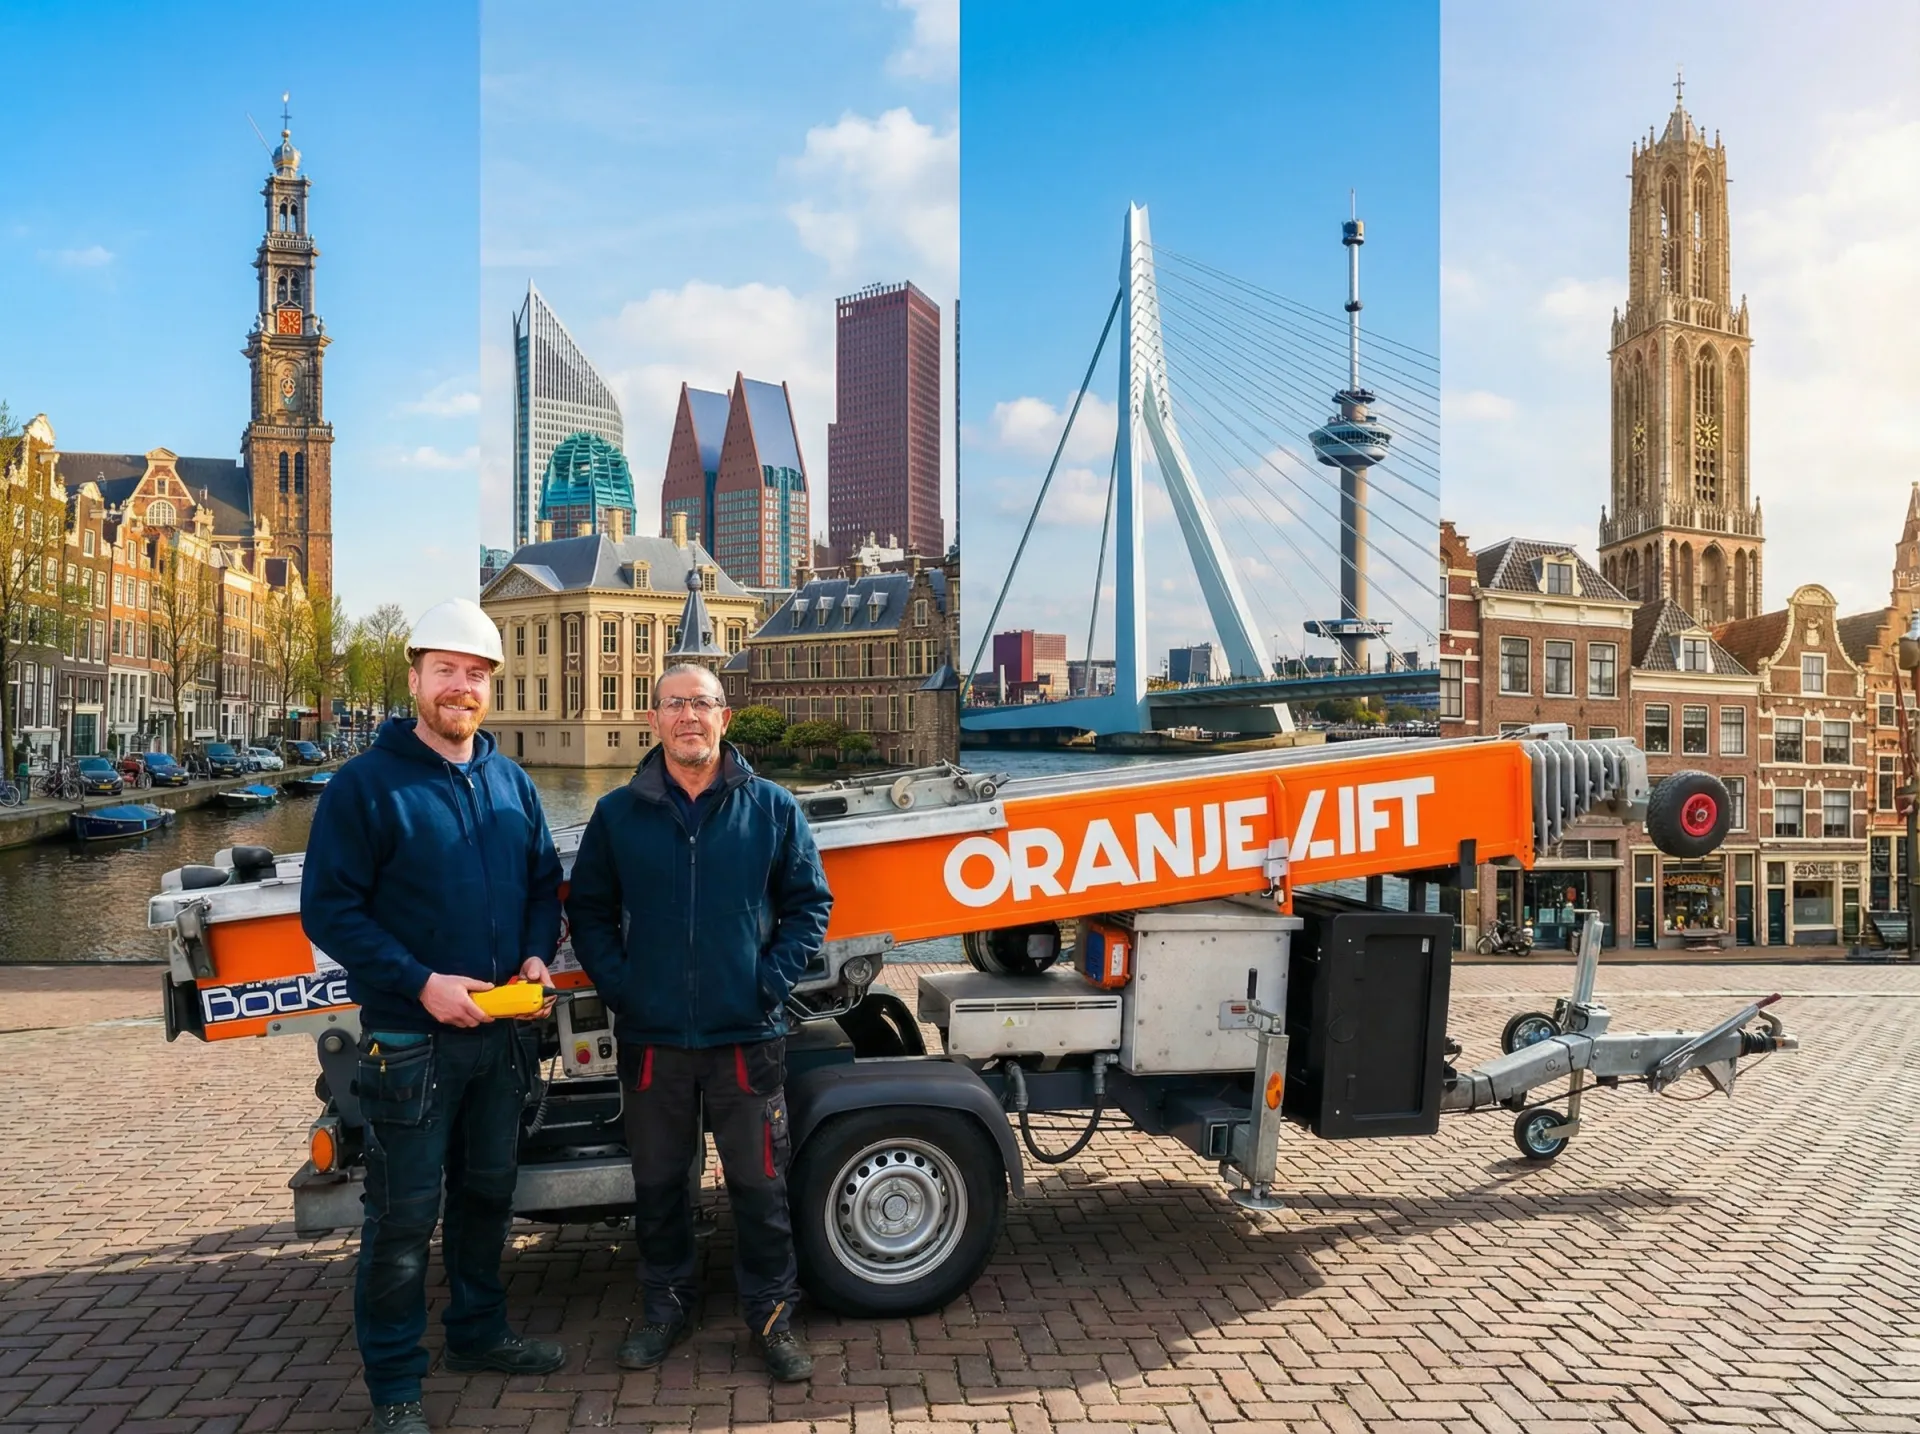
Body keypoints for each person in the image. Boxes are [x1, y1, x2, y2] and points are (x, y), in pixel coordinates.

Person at [301, 598, 567, 1434]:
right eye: (447, 670)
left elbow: (538, 883)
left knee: (489, 1195)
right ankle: (395, 1389)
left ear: (492, 688)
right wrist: (420, 984)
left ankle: (479, 1333)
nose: (463, 687)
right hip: (410, 1044)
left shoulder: (509, 780)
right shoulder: (364, 787)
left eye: (478, 674)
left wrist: (532, 954)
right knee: (404, 1216)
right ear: (414, 678)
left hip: (501, 1035)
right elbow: (330, 912)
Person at [565, 662, 833, 1383]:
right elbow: (587, 911)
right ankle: (664, 1308)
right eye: (676, 704)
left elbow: (811, 903)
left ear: (725, 718)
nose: (690, 717)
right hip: (654, 1039)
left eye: (704, 704)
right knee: (657, 1185)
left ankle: (773, 1317)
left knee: (759, 1187)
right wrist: (624, 989)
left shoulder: (772, 807)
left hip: (746, 1037)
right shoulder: (619, 816)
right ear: (653, 720)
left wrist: (768, 982)